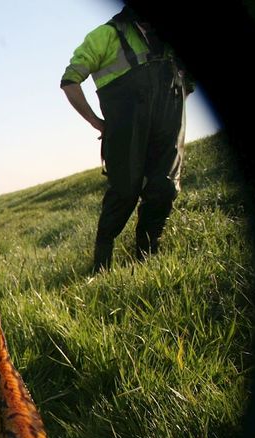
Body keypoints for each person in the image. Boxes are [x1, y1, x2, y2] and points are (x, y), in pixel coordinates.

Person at [60, 5, 193, 273]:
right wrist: (96, 122)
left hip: (167, 126)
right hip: (124, 131)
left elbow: (187, 84)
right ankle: (102, 262)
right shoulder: (105, 35)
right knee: (124, 191)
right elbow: (70, 80)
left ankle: (147, 258)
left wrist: (173, 108)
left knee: (165, 188)